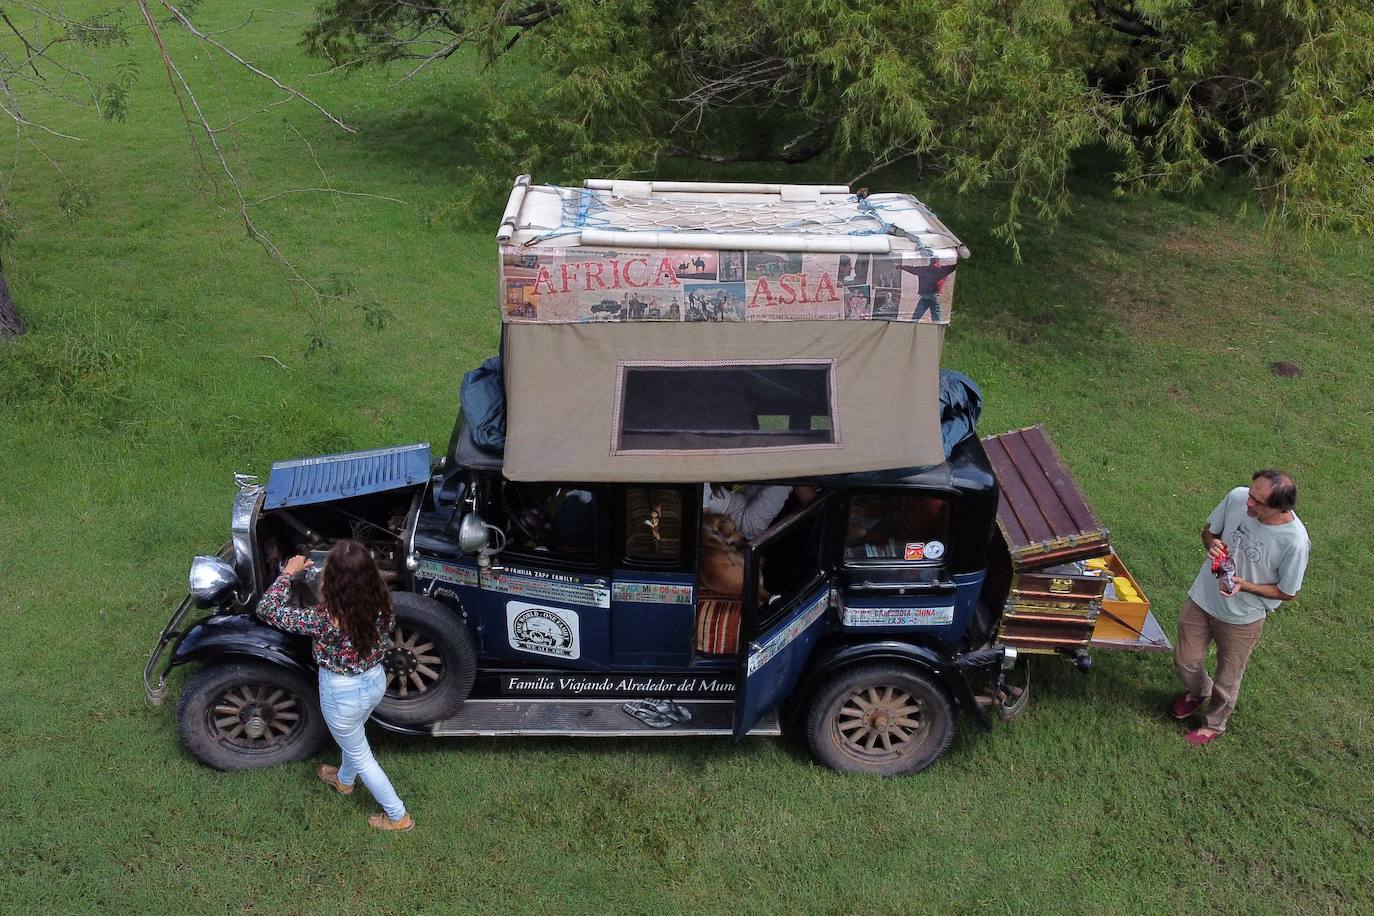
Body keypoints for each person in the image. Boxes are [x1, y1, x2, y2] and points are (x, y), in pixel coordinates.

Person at [257, 540, 415, 830]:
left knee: (362, 755)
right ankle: (344, 781)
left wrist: (288, 573)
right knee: (355, 738)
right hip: (374, 681)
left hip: (341, 692)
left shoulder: (324, 619)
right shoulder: (383, 604)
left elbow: (267, 609)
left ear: (332, 579)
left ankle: (398, 816)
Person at [1170, 470, 1310, 745]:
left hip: (1242, 618)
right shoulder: (1236, 497)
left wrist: (1245, 586)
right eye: (1250, 495)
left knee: (1228, 677)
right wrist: (1212, 545)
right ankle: (1199, 690)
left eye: (1258, 502)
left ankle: (1214, 725)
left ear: (1280, 507)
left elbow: (1287, 592)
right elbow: (1209, 532)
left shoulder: (1294, 541)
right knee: (1184, 660)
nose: (1249, 504)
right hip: (1203, 599)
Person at [703, 483, 792, 540]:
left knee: (774, 469)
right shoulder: (698, 486)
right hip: (743, 521)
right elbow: (706, 524)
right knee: (786, 479)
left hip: (741, 498)